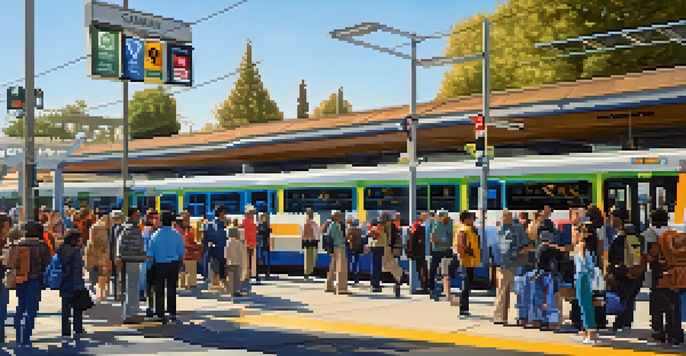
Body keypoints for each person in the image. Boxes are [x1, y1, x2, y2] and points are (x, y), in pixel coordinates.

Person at [6, 221, 51, 347]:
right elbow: (47, 265)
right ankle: (26, 337)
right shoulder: (42, 246)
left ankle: (18, 335)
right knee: (31, 310)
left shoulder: (17, 244)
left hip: (20, 279)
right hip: (35, 279)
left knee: (20, 306)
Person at [607, 208, 645, 333]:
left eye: (612, 217)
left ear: (618, 219)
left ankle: (621, 323)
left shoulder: (626, 234)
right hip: (632, 271)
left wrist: (617, 270)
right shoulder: (633, 233)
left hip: (625, 271)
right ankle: (625, 322)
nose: (610, 220)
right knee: (628, 298)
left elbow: (623, 255)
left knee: (624, 297)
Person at [148, 210, 186, 323]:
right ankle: (172, 312)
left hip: (159, 264)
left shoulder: (155, 235)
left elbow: (150, 252)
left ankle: (160, 312)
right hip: (173, 263)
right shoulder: (177, 235)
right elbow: (181, 252)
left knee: (159, 289)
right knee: (172, 288)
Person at [494, 210, 531, 325]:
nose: (503, 218)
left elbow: (528, 245)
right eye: (503, 217)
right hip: (503, 264)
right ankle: (500, 317)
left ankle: (519, 317)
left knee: (517, 292)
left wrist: (517, 253)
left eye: (506, 216)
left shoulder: (517, 229)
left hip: (515, 265)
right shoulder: (501, 229)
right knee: (501, 291)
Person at [117, 208, 145, 324]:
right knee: (131, 288)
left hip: (130, 260)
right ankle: (130, 314)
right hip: (131, 260)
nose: (139, 217)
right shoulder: (130, 228)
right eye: (137, 214)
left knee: (131, 287)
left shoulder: (128, 227)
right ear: (132, 215)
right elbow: (122, 244)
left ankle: (131, 312)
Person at [57, 229, 86, 342]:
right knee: (77, 308)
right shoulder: (76, 251)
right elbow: (78, 269)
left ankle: (65, 332)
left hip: (63, 282)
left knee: (65, 309)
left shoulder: (61, 249)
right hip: (75, 283)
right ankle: (78, 329)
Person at [455, 211, 481, 318]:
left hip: (470, 261)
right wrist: (466, 254)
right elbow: (460, 246)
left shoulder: (471, 230)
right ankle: (463, 309)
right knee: (465, 286)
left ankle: (465, 308)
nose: (473, 220)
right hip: (466, 262)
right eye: (471, 218)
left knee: (468, 285)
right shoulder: (463, 231)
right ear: (465, 219)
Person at [428, 211, 454, 302]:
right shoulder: (436, 224)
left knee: (446, 270)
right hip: (437, 250)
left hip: (445, 249)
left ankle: (445, 290)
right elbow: (433, 239)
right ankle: (432, 289)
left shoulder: (446, 224)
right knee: (434, 270)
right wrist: (443, 244)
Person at [85, 215, 112, 301]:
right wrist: (105, 249)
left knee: (95, 274)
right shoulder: (101, 228)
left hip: (93, 254)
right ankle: (100, 294)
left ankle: (98, 293)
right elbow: (101, 241)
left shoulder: (95, 226)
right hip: (99, 255)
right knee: (101, 274)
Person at [201, 206, 228, 292]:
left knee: (216, 269)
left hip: (216, 250)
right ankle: (217, 285)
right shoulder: (218, 225)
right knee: (218, 269)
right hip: (218, 250)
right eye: (224, 213)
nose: (225, 215)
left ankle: (216, 285)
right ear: (221, 213)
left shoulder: (210, 224)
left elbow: (204, 238)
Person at [325, 211, 350, 295]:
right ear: (335, 217)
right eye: (339, 215)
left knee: (333, 267)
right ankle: (341, 288)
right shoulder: (334, 225)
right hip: (340, 247)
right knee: (341, 268)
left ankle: (329, 286)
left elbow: (327, 237)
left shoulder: (332, 225)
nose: (341, 217)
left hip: (335, 248)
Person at [177, 211, 202, 290]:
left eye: (188, 218)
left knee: (191, 278)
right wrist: (196, 247)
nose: (187, 221)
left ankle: (191, 285)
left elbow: (192, 241)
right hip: (182, 255)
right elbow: (185, 243)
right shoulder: (177, 230)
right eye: (185, 219)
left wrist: (198, 247)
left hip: (191, 255)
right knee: (182, 275)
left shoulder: (190, 229)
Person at [408, 212, 429, 294]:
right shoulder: (417, 225)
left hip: (422, 251)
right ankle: (424, 286)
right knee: (422, 268)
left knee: (423, 268)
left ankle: (425, 286)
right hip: (420, 251)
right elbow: (412, 236)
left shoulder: (420, 226)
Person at [301, 208, 320, 280]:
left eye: (311, 214)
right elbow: (302, 232)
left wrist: (318, 239)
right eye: (309, 214)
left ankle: (310, 272)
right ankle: (307, 273)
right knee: (307, 258)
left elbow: (317, 231)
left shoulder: (314, 223)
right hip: (308, 241)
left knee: (313, 257)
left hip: (313, 241)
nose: (310, 216)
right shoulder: (304, 223)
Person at [225, 227, 245, 297]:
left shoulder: (227, 242)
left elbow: (227, 253)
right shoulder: (238, 242)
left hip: (230, 263)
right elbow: (241, 253)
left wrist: (227, 261)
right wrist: (242, 263)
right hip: (237, 263)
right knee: (237, 278)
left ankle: (231, 291)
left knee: (231, 278)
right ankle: (237, 291)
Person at [241, 206, 258, 281]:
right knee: (245, 261)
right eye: (251, 213)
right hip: (246, 244)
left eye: (253, 213)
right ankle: (246, 276)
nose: (252, 215)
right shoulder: (244, 222)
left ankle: (251, 275)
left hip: (252, 244)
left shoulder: (253, 222)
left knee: (251, 261)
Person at [257, 213, 272, 281]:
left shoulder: (265, 226)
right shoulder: (262, 225)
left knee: (264, 259)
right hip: (262, 243)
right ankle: (264, 272)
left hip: (264, 243)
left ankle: (266, 272)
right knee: (263, 258)